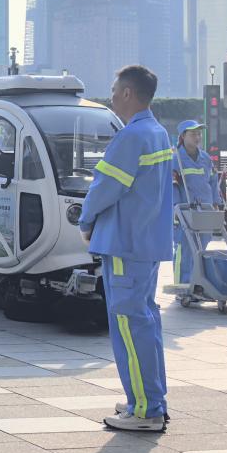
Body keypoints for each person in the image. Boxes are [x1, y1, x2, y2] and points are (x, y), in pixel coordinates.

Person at [78, 65, 173, 431]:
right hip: (146, 244)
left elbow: (104, 188)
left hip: (124, 244)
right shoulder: (158, 132)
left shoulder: (131, 137)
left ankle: (145, 410)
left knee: (130, 327)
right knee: (145, 322)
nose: (112, 96)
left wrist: (85, 222)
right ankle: (148, 399)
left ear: (129, 93)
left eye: (115, 90)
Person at [172, 119, 222, 287]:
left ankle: (197, 284)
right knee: (185, 250)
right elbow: (172, 186)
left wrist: (216, 203)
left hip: (205, 210)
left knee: (201, 250)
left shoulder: (205, 158)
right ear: (183, 136)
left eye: (199, 134)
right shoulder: (176, 159)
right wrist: (176, 209)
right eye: (193, 134)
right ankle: (182, 287)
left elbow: (213, 182)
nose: (197, 137)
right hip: (185, 212)